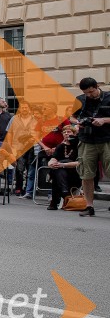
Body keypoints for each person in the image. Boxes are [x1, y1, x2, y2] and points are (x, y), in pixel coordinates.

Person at [71, 77, 110, 217]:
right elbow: (72, 117)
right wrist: (78, 122)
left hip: (107, 140)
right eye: (86, 93)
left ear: (97, 86)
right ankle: (89, 206)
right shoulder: (80, 99)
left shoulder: (108, 97)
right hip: (87, 141)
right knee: (86, 174)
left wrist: (104, 120)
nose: (89, 95)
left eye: (91, 92)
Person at [47, 125, 80, 210]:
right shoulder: (60, 146)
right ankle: (64, 192)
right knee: (57, 169)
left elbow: (80, 163)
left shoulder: (78, 146)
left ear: (74, 134)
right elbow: (53, 159)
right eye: (64, 132)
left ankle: (54, 202)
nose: (66, 134)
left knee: (58, 168)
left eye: (68, 132)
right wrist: (50, 164)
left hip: (75, 173)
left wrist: (63, 164)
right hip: (61, 175)